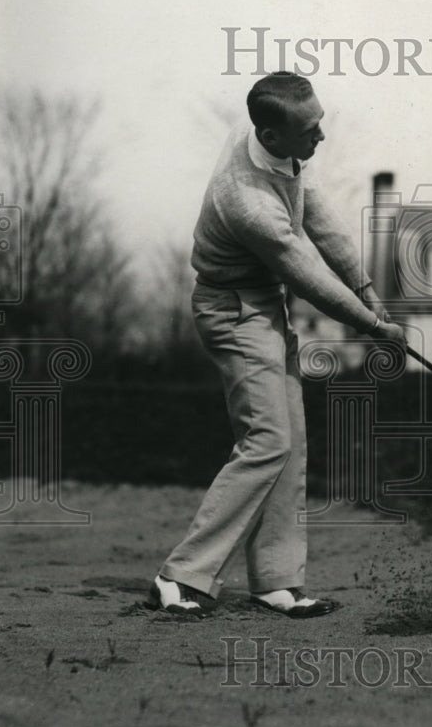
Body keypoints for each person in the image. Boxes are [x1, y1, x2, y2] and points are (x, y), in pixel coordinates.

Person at [150, 72, 405, 619]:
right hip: (233, 314)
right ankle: (181, 576)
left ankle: (276, 581)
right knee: (267, 441)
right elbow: (307, 273)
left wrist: (366, 289)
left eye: (319, 122)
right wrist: (374, 328)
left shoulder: (277, 152)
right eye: (310, 130)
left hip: (265, 307)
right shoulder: (246, 202)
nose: (321, 137)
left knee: (290, 442)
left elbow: (320, 219)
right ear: (270, 136)